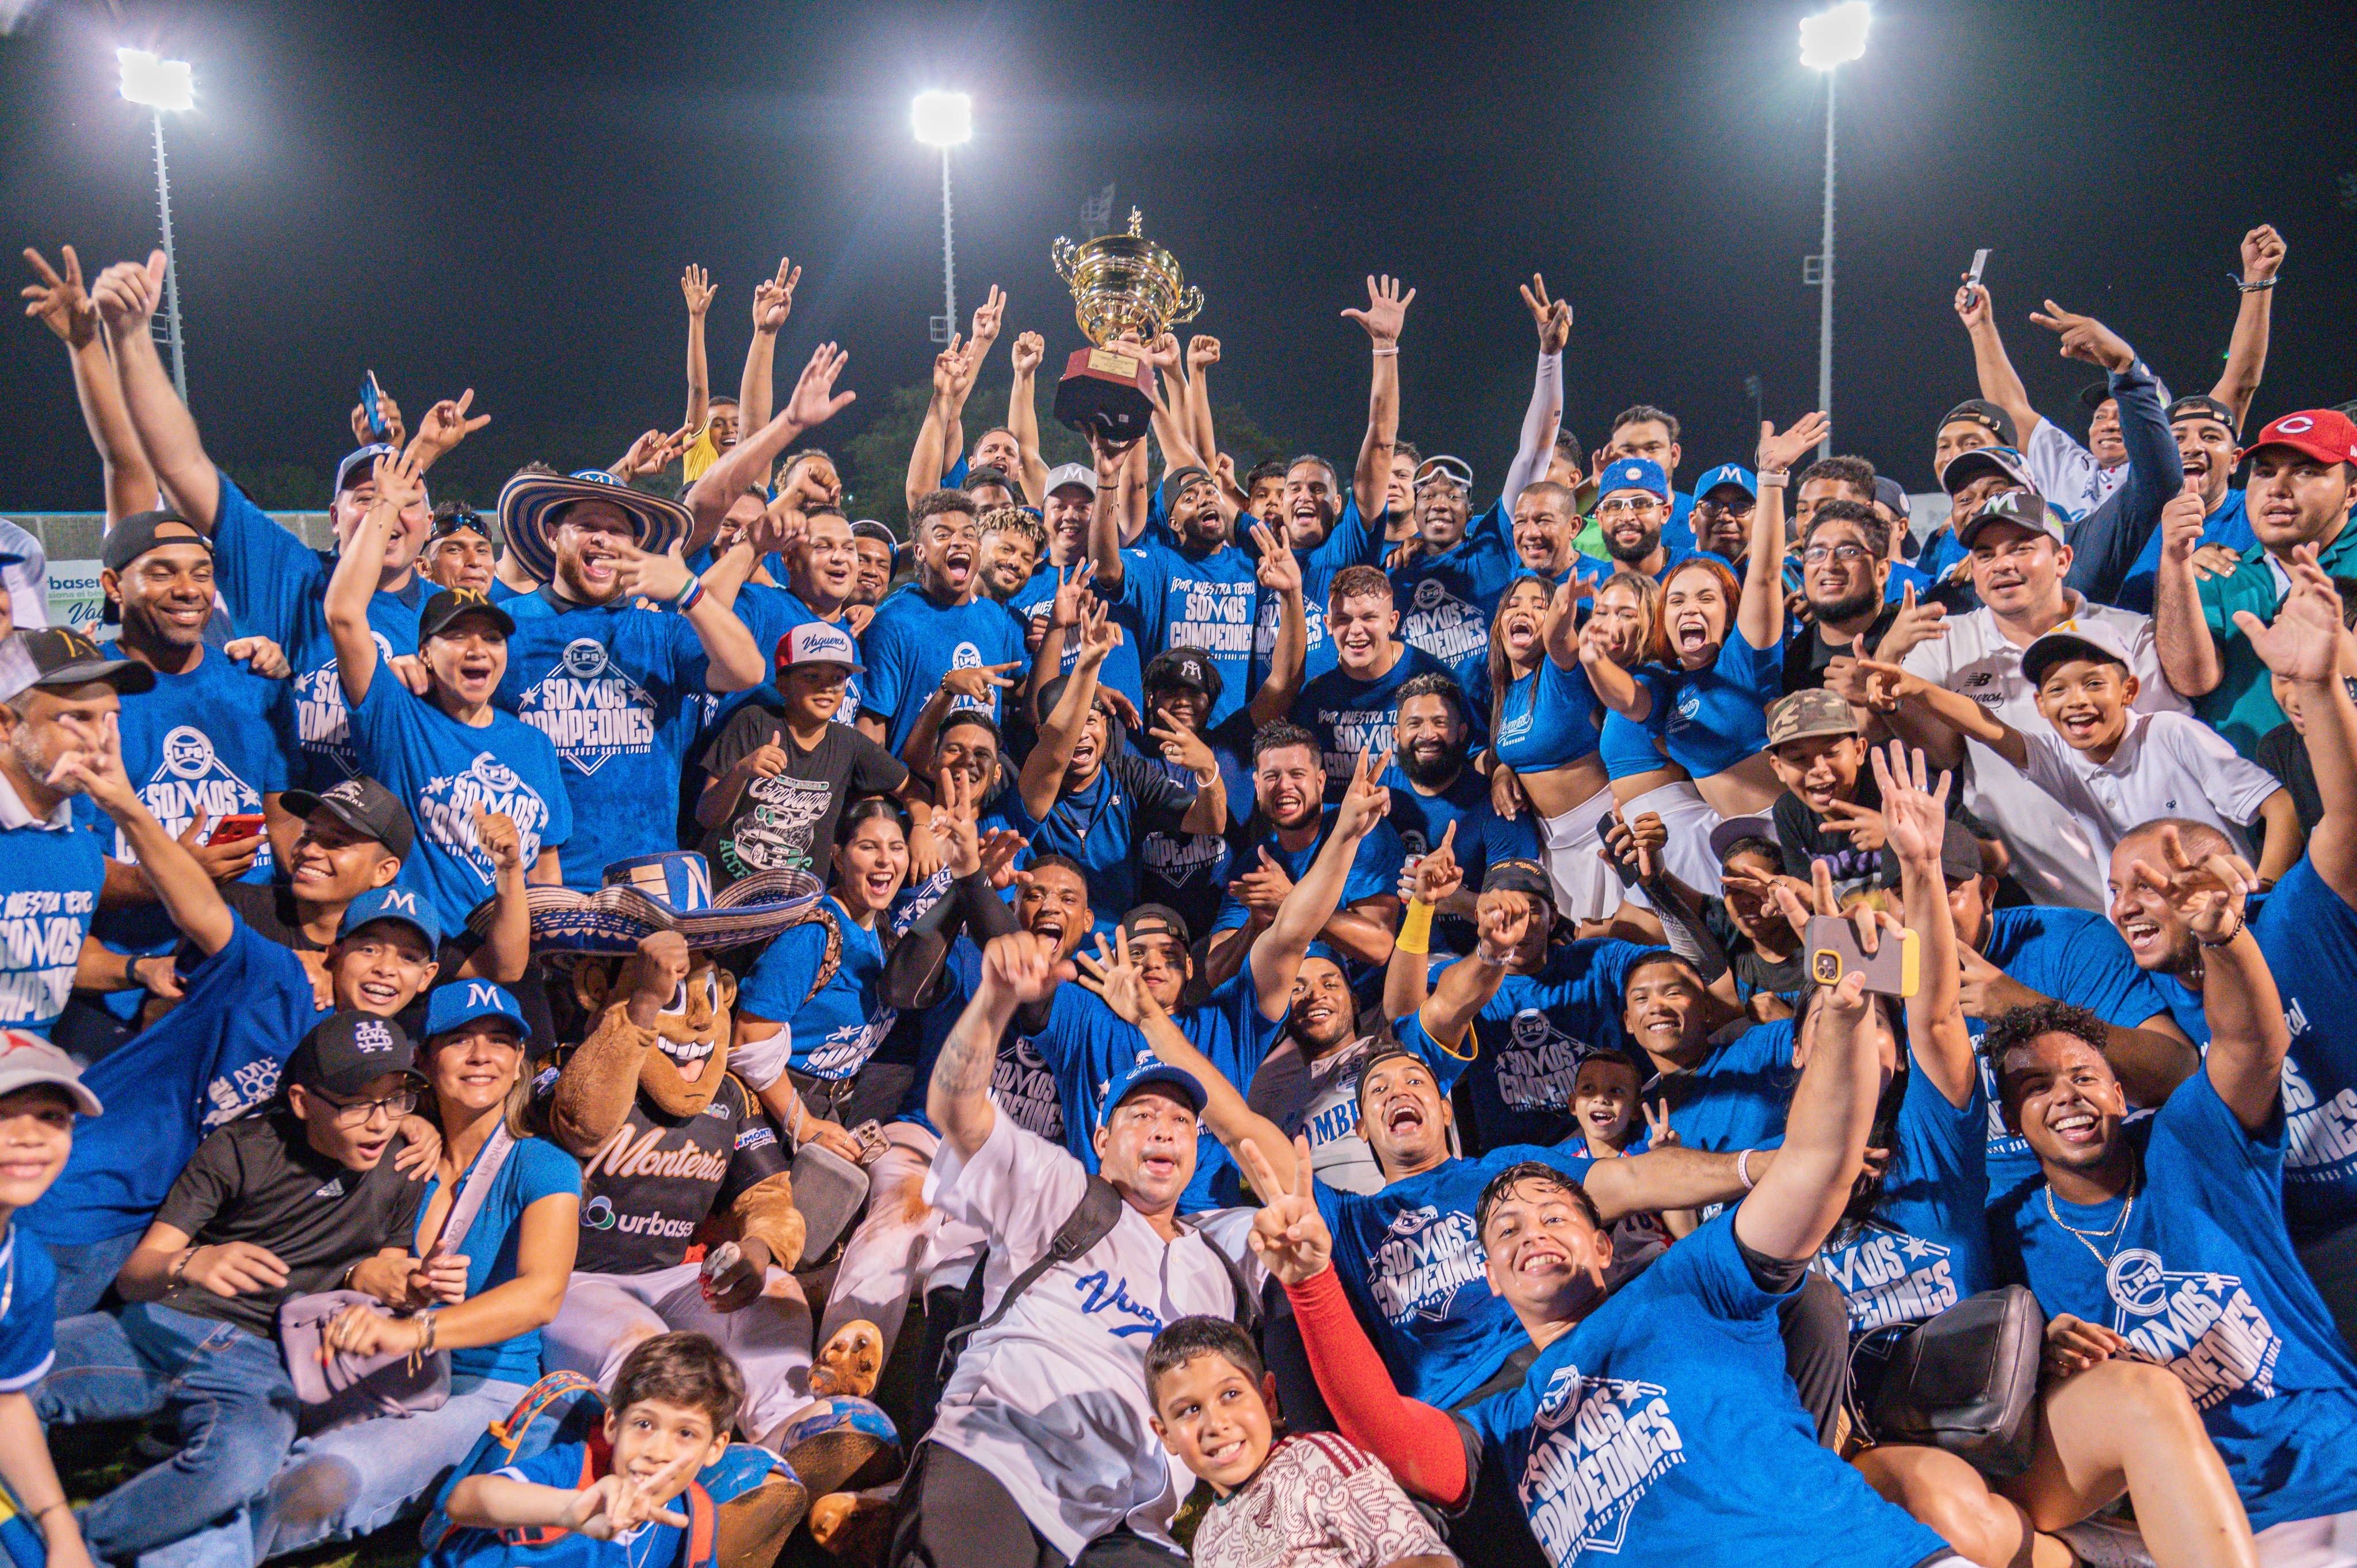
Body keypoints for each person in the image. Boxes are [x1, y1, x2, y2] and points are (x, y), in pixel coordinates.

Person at [1254, 905, 1973, 1567]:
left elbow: (1815, 1164)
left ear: (1603, 1244)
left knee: (1811, 1300)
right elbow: (1389, 1436)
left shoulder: (1689, 1288)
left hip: (1863, 1556)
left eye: (1553, 1214)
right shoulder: (1502, 1429)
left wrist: (1843, 1018)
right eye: (1504, 1228)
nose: (1531, 1230)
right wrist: (1311, 1282)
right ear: (1489, 1277)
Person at [1985, 844, 2357, 1551]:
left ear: (2118, 1091)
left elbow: (2252, 1042)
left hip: (2334, 1466)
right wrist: (2043, 1357)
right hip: (2199, 1518)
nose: (2066, 1096)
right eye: (2036, 1087)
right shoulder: (2011, 1236)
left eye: (2084, 1077)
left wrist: (2224, 937)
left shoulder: (2189, 1140)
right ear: (2010, 1121)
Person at [886, 929, 1261, 1568]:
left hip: (1128, 1523)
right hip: (1000, 1461)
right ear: (1101, 1136)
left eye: (1180, 1120)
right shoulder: (1060, 1190)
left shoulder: (1218, 1271)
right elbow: (957, 1111)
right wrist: (993, 1002)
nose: (1164, 1129)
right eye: (1141, 1114)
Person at [35, 1012, 432, 1565]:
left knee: (243, 1462)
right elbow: (136, 1273)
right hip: (163, 1325)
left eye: (395, 1100)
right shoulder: (242, 1147)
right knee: (20, 1374)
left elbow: (385, 1273)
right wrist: (192, 1261)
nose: (380, 1122)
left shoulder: (404, 1166)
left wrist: (410, 1289)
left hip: (264, 1359)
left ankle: (71, 1545)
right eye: (355, 1103)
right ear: (302, 1101)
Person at [89, 251, 493, 791]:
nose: (388, 509)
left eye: (405, 499)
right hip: (299, 831)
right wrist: (132, 337)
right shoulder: (290, 576)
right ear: (334, 517)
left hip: (414, 839)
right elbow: (181, 464)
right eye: (367, 498)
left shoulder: (458, 618)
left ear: (426, 521)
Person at [231, 983, 583, 1564]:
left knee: (322, 1479)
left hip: (477, 1385)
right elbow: (322, 1248)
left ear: (520, 1058)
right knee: (232, 1452)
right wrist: (362, 1273)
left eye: (500, 1041)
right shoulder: (386, 1148)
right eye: (459, 1040)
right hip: (361, 1365)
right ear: (422, 1057)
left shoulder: (544, 1164)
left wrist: (412, 1331)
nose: (482, 1056)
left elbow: (540, 1295)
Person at [2104, 559, 2357, 1341]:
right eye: (2115, 890)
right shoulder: (2140, 1000)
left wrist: (2320, 689)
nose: (2126, 905)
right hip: (2296, 1253)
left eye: (2151, 882)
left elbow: (2347, 821)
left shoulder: (2293, 921)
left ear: (2227, 876)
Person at [1856, 487, 2194, 911]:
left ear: (2063, 560)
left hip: (2153, 881)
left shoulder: (2129, 634)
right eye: (1985, 554)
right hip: (2035, 904)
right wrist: (1890, 697)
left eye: (2021, 548)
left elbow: (2173, 755)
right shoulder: (1945, 641)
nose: (2002, 564)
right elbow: (1943, 751)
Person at [1858, 619, 2301, 887]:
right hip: (2152, 944)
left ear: (2129, 690)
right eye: (2058, 690)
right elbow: (1987, 726)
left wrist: (2263, 893)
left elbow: (2280, 806)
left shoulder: (2171, 733)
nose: (2077, 701)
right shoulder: (2059, 758)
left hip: (2227, 918)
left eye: (2093, 683)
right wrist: (1914, 688)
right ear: (2040, 706)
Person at [494, 460, 766, 893]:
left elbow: (748, 670)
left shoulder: (660, 629)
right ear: (552, 535)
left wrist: (689, 591)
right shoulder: (504, 627)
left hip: (650, 878)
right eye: (586, 525)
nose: (603, 538)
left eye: (618, 530)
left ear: (635, 546)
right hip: (541, 882)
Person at [333, 452, 569, 934]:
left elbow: (547, 873)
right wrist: (387, 504)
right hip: (426, 948)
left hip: (513, 951)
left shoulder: (534, 745)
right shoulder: (398, 720)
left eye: (492, 638)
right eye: (457, 636)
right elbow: (344, 615)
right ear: (423, 653)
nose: (477, 650)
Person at [1585, 414, 1829, 820]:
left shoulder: (1746, 658)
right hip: (1730, 837)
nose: (1690, 608)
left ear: (1731, 611)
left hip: (1793, 827)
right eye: (1677, 601)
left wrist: (1771, 478)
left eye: (1706, 598)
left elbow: (1766, 575)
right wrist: (1593, 659)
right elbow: (1629, 702)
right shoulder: (1673, 687)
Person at [1143, 1317, 1455, 1568]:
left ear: (1268, 1398)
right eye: (1190, 1410)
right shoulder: (1206, 1542)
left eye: (1231, 1394)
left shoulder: (1315, 1462)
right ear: (1166, 1435)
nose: (1215, 1424)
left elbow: (1428, 1560)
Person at [432, 1331, 743, 1568]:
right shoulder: (572, 1470)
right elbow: (463, 1501)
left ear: (715, 1449)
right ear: (613, 1426)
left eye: (686, 1433)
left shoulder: (693, 1521)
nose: (658, 1452)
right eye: (644, 1424)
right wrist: (568, 1509)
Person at [1010, 604, 1225, 935]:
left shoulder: (1128, 776)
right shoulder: (1032, 782)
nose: (1080, 734)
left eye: (1090, 721)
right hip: (1044, 942)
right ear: (1043, 735)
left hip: (1118, 946)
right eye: (1071, 727)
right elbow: (1053, 743)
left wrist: (1209, 772)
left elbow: (1210, 822)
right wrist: (1087, 663)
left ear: (1107, 728)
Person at [2157, 407, 2357, 755]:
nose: (2277, 489)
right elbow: (2192, 680)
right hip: (2247, 784)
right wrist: (2175, 561)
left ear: (2352, 493)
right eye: (2264, 472)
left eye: (2307, 472)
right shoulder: (2216, 570)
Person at [0, 629, 150, 1037]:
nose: (101, 739)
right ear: (5, 725)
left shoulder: (76, 840)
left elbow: (56, 959)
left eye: (111, 719)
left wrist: (143, 969)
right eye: (78, 718)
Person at [733, 796, 913, 1138]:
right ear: (839, 858)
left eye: (896, 847)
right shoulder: (813, 933)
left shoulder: (881, 930)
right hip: (772, 1109)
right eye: (868, 847)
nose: (885, 859)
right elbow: (747, 1038)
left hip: (827, 1106)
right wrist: (803, 1125)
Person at [694, 623, 910, 886]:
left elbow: (911, 789)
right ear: (783, 684)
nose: (827, 688)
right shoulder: (754, 723)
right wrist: (741, 772)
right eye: (811, 677)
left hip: (798, 901)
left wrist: (922, 824)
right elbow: (706, 817)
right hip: (724, 891)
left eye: (837, 679)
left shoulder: (849, 744)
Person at [0, 1035, 105, 1568]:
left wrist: (61, 1527)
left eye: (50, 1116)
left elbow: (6, 1400)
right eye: (1, 1115)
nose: (28, 1137)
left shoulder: (26, 1269)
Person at [1205, 724, 1404, 981]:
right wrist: (1254, 926)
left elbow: (1379, 947)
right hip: (1292, 998)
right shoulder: (1255, 864)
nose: (1284, 786)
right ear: (1257, 786)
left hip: (1368, 996)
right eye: (1271, 776)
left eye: (1297, 774)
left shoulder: (1361, 829)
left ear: (1320, 782)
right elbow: (1215, 974)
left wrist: (1290, 902)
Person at [859, 491, 1029, 756]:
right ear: (920, 552)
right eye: (943, 535)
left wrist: (1061, 629)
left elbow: (1020, 692)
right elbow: (872, 725)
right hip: (912, 778)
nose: (959, 542)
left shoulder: (994, 617)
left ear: (979, 548)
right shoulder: (893, 621)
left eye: (969, 535)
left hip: (977, 778)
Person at [1485, 576, 1614, 922]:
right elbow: (1501, 753)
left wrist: (1562, 603)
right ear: (1498, 625)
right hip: (1553, 846)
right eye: (1513, 605)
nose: (1523, 611)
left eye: (1538, 606)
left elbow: (1558, 636)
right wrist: (1501, 771)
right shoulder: (1504, 691)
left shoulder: (1563, 670)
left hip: (1602, 833)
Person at [1291, 566, 1456, 794]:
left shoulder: (1431, 678)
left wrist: (1500, 775)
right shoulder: (1315, 696)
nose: (1355, 630)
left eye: (1369, 618)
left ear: (1392, 622)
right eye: (1343, 619)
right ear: (1328, 625)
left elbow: (1473, 752)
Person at [422, 503, 499, 595]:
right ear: (424, 568)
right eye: (454, 550)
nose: (474, 562)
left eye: (482, 551)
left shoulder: (508, 603)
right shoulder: (407, 604)